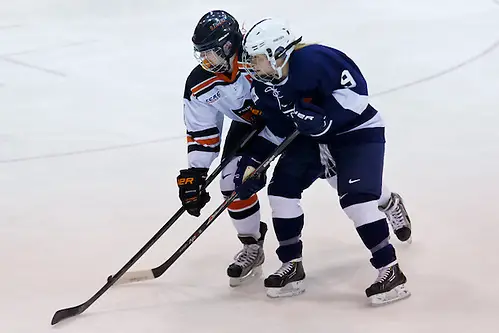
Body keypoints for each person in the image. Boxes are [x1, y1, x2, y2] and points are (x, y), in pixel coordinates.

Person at [236, 17, 412, 305]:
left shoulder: (316, 60)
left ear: (276, 54)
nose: (252, 66)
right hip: (312, 140)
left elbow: (357, 97)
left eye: (256, 59)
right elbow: (277, 129)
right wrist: (253, 162)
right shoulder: (266, 85)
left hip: (356, 133)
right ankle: (292, 265)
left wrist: (325, 118)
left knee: (356, 198)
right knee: (281, 192)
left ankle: (389, 270)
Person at [177, 10, 282, 287]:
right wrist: (196, 173)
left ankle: (383, 201)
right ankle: (252, 244)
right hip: (252, 127)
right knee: (232, 184)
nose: (204, 60)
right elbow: (203, 130)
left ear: (227, 45)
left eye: (209, 52)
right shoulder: (199, 83)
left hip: (291, 118)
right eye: (200, 53)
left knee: (335, 169)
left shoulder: (260, 58)